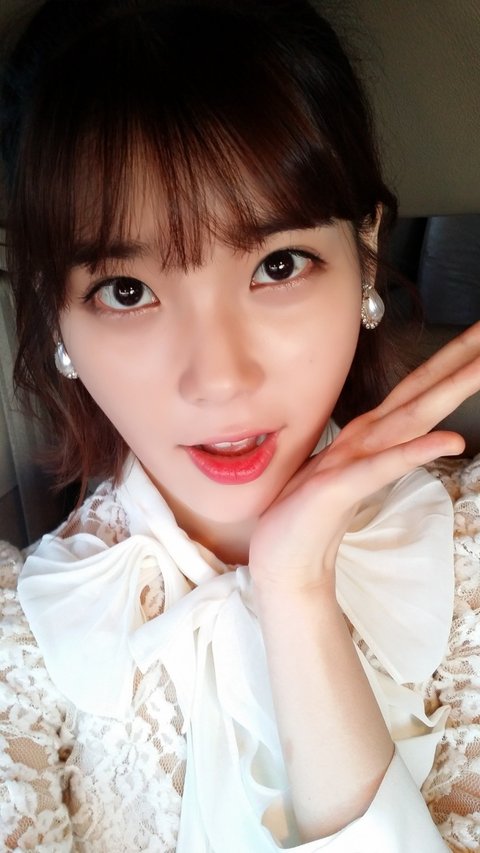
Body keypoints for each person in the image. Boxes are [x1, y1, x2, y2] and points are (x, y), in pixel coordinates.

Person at [0, 0, 479, 850]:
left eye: (278, 264)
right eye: (126, 290)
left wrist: (297, 590)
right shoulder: (21, 634)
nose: (219, 379)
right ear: (54, 313)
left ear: (366, 251)